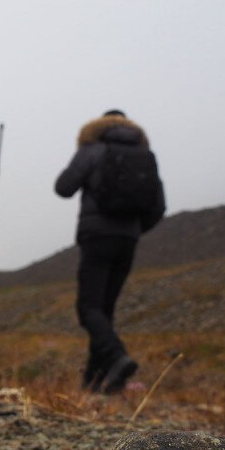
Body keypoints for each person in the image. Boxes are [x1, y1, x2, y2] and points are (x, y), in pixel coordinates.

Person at [55, 109, 166, 393]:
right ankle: (95, 383)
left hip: (96, 236)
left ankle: (117, 357)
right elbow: (158, 207)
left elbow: (64, 187)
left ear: (99, 126)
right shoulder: (144, 155)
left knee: (88, 308)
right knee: (104, 310)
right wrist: (134, 230)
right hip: (127, 239)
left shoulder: (93, 149)